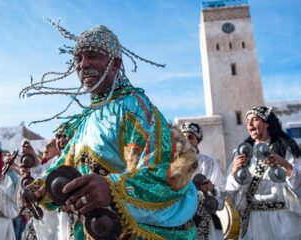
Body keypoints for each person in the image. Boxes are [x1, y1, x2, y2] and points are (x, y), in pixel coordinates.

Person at [22, 21, 198, 239]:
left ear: (115, 64)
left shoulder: (134, 107)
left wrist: (112, 188)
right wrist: (41, 188)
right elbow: (67, 165)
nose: (83, 64)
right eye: (78, 59)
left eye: (92, 55)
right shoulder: (87, 119)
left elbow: (169, 171)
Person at [226, 106, 301, 240]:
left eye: (254, 119)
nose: (249, 124)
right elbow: (230, 192)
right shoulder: (241, 152)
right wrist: (233, 173)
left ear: (267, 123)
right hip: (254, 221)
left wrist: (283, 163)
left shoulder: (286, 148)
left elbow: (298, 184)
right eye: (247, 121)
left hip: (284, 220)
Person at [19, 131, 72, 240]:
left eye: (66, 135)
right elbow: (44, 179)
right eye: (58, 136)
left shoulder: (79, 159)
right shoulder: (54, 165)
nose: (62, 140)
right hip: (51, 222)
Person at [179, 122, 225, 240]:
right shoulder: (172, 165)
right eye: (183, 138)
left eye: (190, 137)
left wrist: (212, 188)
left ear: (198, 140)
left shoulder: (208, 162)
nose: (187, 141)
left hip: (205, 220)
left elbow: (221, 193)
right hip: (179, 220)